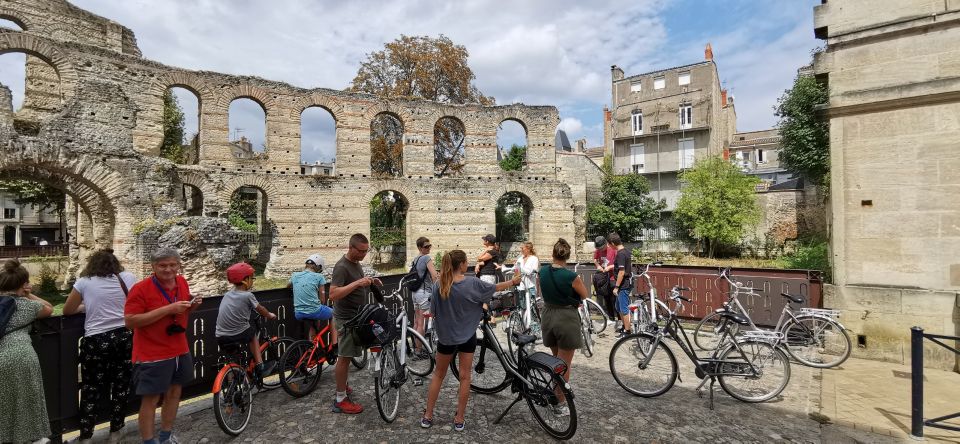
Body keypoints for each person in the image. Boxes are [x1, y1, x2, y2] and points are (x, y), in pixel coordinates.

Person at [421, 250, 520, 431]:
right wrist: (513, 282)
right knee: (465, 377)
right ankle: (459, 418)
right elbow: (495, 288)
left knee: (438, 375)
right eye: (467, 261)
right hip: (467, 336)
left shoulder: (439, 284)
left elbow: (433, 312)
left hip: (446, 338)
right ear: (462, 265)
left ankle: (428, 415)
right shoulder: (472, 283)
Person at [124, 248, 200, 444]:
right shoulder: (140, 289)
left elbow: (181, 311)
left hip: (179, 349)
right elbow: (130, 321)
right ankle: (149, 441)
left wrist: (193, 305)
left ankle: (165, 436)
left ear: (178, 265)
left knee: (174, 394)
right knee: (151, 399)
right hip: (152, 353)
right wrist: (169, 309)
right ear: (153, 267)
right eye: (163, 265)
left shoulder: (181, 282)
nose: (168, 269)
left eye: (172, 265)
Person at [63, 249, 137, 444]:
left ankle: (86, 436)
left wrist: (87, 305)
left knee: (91, 389)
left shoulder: (84, 282)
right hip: (124, 336)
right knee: (121, 386)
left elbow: (68, 310)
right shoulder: (128, 278)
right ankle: (116, 431)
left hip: (95, 340)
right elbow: (135, 303)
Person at [0, 260, 53, 444]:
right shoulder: (26, 305)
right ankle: (25, 438)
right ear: (23, 284)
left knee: (3, 402)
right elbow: (49, 308)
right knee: (26, 399)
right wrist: (29, 294)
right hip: (22, 354)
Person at [328, 233, 382, 414]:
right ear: (351, 248)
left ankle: (343, 386)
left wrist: (369, 282)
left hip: (355, 317)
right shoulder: (341, 267)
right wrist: (359, 282)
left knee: (348, 356)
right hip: (346, 320)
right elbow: (333, 294)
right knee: (344, 358)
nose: (363, 255)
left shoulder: (356, 264)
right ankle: (340, 399)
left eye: (366, 251)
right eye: (361, 251)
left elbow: (355, 285)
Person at [538, 238, 589, 416]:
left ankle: (556, 391)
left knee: (556, 361)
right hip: (566, 318)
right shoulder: (571, 276)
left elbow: (543, 291)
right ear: (567, 256)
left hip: (548, 315)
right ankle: (559, 402)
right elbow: (584, 295)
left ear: (552, 254)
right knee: (563, 365)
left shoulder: (542, 271)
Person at [215, 262, 278, 382]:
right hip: (237, 333)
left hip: (221, 335)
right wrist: (269, 315)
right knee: (252, 335)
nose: (252, 280)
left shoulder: (227, 295)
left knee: (233, 359)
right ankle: (260, 365)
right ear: (245, 280)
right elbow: (260, 309)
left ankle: (231, 384)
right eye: (251, 278)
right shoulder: (247, 296)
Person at [289, 254, 333, 341]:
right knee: (335, 314)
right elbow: (322, 299)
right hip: (313, 311)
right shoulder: (319, 277)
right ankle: (335, 343)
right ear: (318, 266)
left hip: (298, 313)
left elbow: (288, 285)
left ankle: (311, 347)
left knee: (314, 320)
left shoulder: (295, 275)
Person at [410, 237, 438, 356]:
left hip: (415, 293)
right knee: (421, 323)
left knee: (416, 322)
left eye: (429, 246)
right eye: (426, 246)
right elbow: (434, 276)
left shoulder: (415, 259)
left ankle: (416, 347)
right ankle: (418, 350)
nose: (428, 248)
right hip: (425, 293)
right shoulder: (426, 258)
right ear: (420, 247)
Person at [609, 233, 633, 338]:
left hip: (623, 286)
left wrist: (617, 287)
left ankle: (627, 331)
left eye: (609, 245)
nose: (609, 246)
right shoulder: (626, 251)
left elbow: (621, 272)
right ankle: (624, 326)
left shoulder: (621, 254)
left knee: (623, 309)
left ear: (613, 243)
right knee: (618, 307)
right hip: (624, 284)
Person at [592, 236, 618, 322]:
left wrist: (611, 266)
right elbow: (595, 259)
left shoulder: (613, 250)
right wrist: (598, 266)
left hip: (613, 277)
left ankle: (619, 318)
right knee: (606, 298)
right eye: (599, 248)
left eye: (602, 248)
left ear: (606, 243)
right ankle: (611, 318)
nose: (600, 250)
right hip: (604, 277)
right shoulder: (598, 250)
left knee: (614, 299)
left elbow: (619, 263)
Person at [510, 241, 540, 309]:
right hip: (522, 285)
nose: (521, 250)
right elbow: (515, 268)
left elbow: (533, 271)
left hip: (530, 286)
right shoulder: (520, 258)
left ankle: (533, 318)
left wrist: (519, 268)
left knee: (532, 307)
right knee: (523, 306)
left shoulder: (534, 258)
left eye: (522, 248)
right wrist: (506, 268)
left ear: (528, 249)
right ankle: (523, 319)